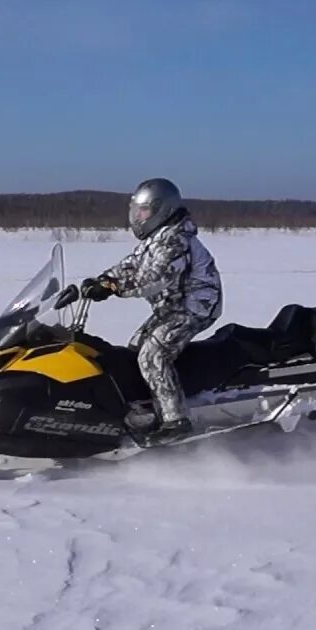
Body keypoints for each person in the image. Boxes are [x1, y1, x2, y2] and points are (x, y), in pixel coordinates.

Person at [81, 178, 223, 445]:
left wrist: (112, 287)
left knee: (153, 354)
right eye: (137, 211)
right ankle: (148, 409)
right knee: (135, 347)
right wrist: (103, 279)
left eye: (144, 211)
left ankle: (175, 420)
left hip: (196, 306)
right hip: (174, 305)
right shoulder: (158, 236)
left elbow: (153, 278)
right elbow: (133, 264)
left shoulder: (175, 239)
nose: (139, 216)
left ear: (163, 209)